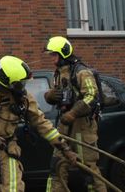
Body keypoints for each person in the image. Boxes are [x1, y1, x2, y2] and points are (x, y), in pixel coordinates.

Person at [0, 56, 77, 192]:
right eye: (19, 83)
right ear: (6, 81)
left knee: (14, 188)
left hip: (8, 146)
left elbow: (41, 122)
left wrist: (64, 147)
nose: (22, 87)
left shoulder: (21, 96)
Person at [44, 36, 106, 192]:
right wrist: (49, 96)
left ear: (63, 53)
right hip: (64, 126)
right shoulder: (58, 73)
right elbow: (60, 95)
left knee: (88, 171)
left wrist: (73, 113)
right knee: (56, 167)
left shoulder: (82, 72)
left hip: (82, 127)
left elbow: (92, 96)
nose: (52, 58)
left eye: (54, 55)